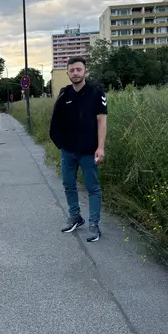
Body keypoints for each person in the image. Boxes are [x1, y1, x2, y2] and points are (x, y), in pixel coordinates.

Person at [49, 56, 108, 242]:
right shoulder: (64, 94)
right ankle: (75, 217)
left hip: (89, 150)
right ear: (68, 73)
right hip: (68, 150)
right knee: (68, 184)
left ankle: (94, 225)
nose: (75, 73)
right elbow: (57, 119)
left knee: (92, 188)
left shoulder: (96, 93)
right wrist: (60, 142)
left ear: (85, 71)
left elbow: (102, 122)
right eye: (72, 70)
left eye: (78, 69)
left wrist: (100, 147)